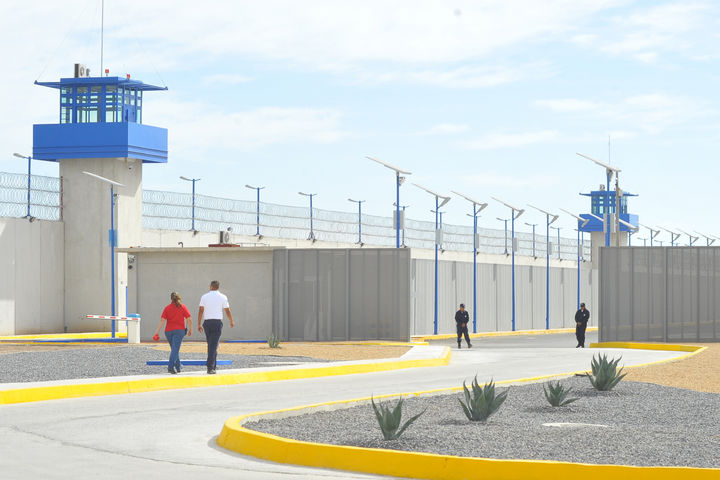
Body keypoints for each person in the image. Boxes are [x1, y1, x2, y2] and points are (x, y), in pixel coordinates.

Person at [197, 280, 234, 374]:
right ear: (218, 287)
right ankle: (210, 367)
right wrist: (231, 320)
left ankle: (213, 366)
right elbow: (227, 310)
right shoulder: (223, 297)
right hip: (217, 323)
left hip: (207, 323)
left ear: (211, 286)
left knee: (212, 345)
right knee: (213, 345)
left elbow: (201, 310)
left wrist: (199, 323)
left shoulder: (204, 296)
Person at [153, 291, 192, 374]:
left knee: (174, 349)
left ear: (171, 299)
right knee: (175, 349)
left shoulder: (167, 308)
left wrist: (157, 332)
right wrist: (190, 329)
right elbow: (189, 319)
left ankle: (178, 367)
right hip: (179, 331)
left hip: (168, 331)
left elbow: (162, 320)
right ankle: (170, 367)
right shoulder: (182, 307)